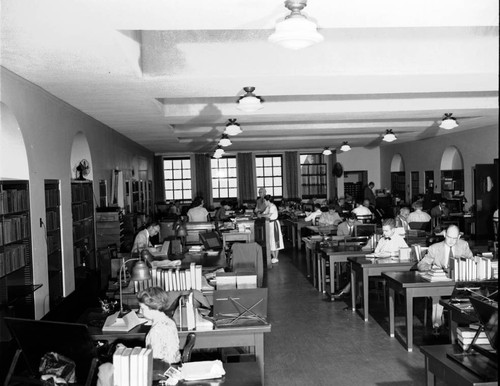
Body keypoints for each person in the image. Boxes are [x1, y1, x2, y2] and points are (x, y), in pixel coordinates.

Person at [97, 287, 181, 386]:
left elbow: (153, 361)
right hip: (170, 367)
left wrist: (127, 352)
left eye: (143, 308)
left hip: (160, 372)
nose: (140, 311)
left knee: (105, 369)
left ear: (153, 308)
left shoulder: (157, 331)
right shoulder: (168, 321)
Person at [333, 218, 408, 300]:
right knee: (358, 270)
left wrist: (390, 254)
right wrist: (374, 255)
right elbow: (376, 251)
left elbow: (406, 252)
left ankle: (351, 295)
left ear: (393, 230)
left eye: (386, 231)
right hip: (380, 264)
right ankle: (354, 297)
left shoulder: (399, 239)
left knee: (359, 272)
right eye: (383, 231)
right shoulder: (382, 239)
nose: (384, 233)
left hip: (392, 267)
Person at [417, 225, 473, 333]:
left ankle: (466, 327)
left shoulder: (463, 245)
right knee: (437, 293)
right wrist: (432, 267)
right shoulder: (434, 248)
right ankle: (437, 324)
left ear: (458, 237)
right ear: (444, 235)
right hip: (440, 283)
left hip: (458, 283)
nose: (452, 241)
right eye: (449, 237)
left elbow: (472, 261)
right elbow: (421, 265)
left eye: (455, 238)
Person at [259, 195, 284, 264]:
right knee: (270, 240)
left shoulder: (273, 207)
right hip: (269, 224)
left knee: (275, 240)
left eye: (265, 201)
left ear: (268, 201)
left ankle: (276, 257)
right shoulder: (268, 207)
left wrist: (261, 215)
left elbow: (268, 215)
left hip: (274, 224)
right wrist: (261, 214)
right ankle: (274, 257)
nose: (264, 202)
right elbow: (264, 213)